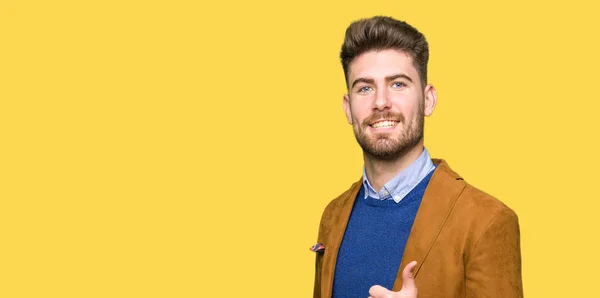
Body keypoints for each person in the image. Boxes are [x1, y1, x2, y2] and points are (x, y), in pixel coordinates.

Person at [312, 16, 523, 298]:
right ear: (349, 108)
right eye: (365, 87)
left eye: (398, 84)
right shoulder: (332, 216)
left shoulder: (487, 221)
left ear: (428, 100)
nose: (381, 102)